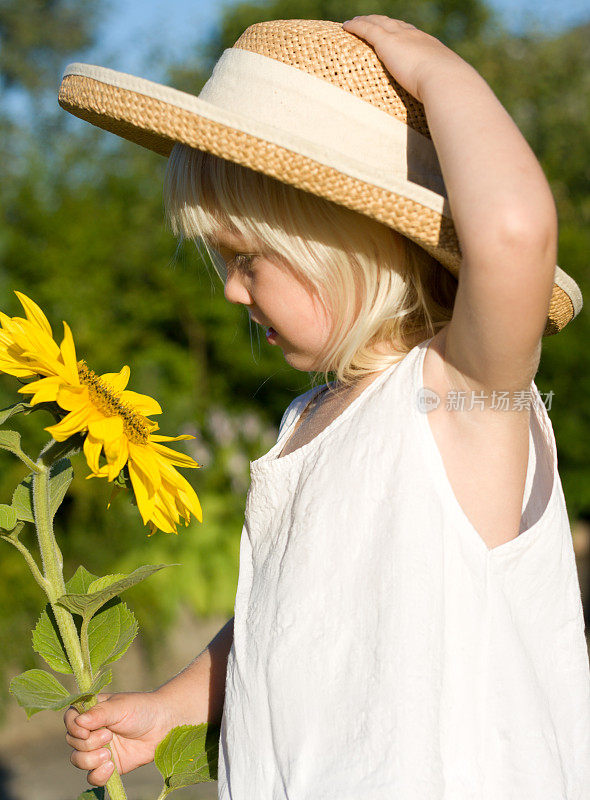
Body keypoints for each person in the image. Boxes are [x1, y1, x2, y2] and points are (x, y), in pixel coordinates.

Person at [60, 15, 590, 799]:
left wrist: (438, 72)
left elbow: (513, 233)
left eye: (247, 258)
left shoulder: (460, 396)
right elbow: (296, 620)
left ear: (350, 242)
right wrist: (176, 706)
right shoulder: (310, 419)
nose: (231, 289)